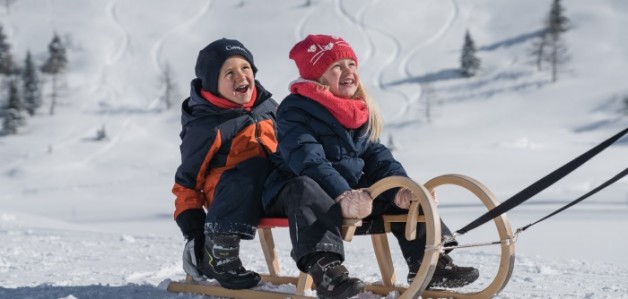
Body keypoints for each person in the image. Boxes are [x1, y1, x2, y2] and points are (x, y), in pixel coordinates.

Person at [263, 34, 479, 299]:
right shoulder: (294, 110)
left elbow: (379, 159)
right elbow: (307, 159)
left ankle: (432, 264)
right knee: (304, 186)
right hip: (301, 195)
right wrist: (344, 194)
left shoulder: (356, 111)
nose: (348, 71)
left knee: (409, 192)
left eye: (351, 64)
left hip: (352, 196)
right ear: (318, 78)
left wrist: (401, 189)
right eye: (336, 67)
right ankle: (326, 271)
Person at [172, 38, 278, 290]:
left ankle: (321, 260)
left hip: (269, 189)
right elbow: (187, 182)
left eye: (245, 68)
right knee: (252, 166)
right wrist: (194, 231)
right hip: (228, 195)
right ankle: (220, 257)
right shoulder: (207, 125)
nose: (241, 76)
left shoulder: (268, 107)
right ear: (213, 84)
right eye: (229, 73)